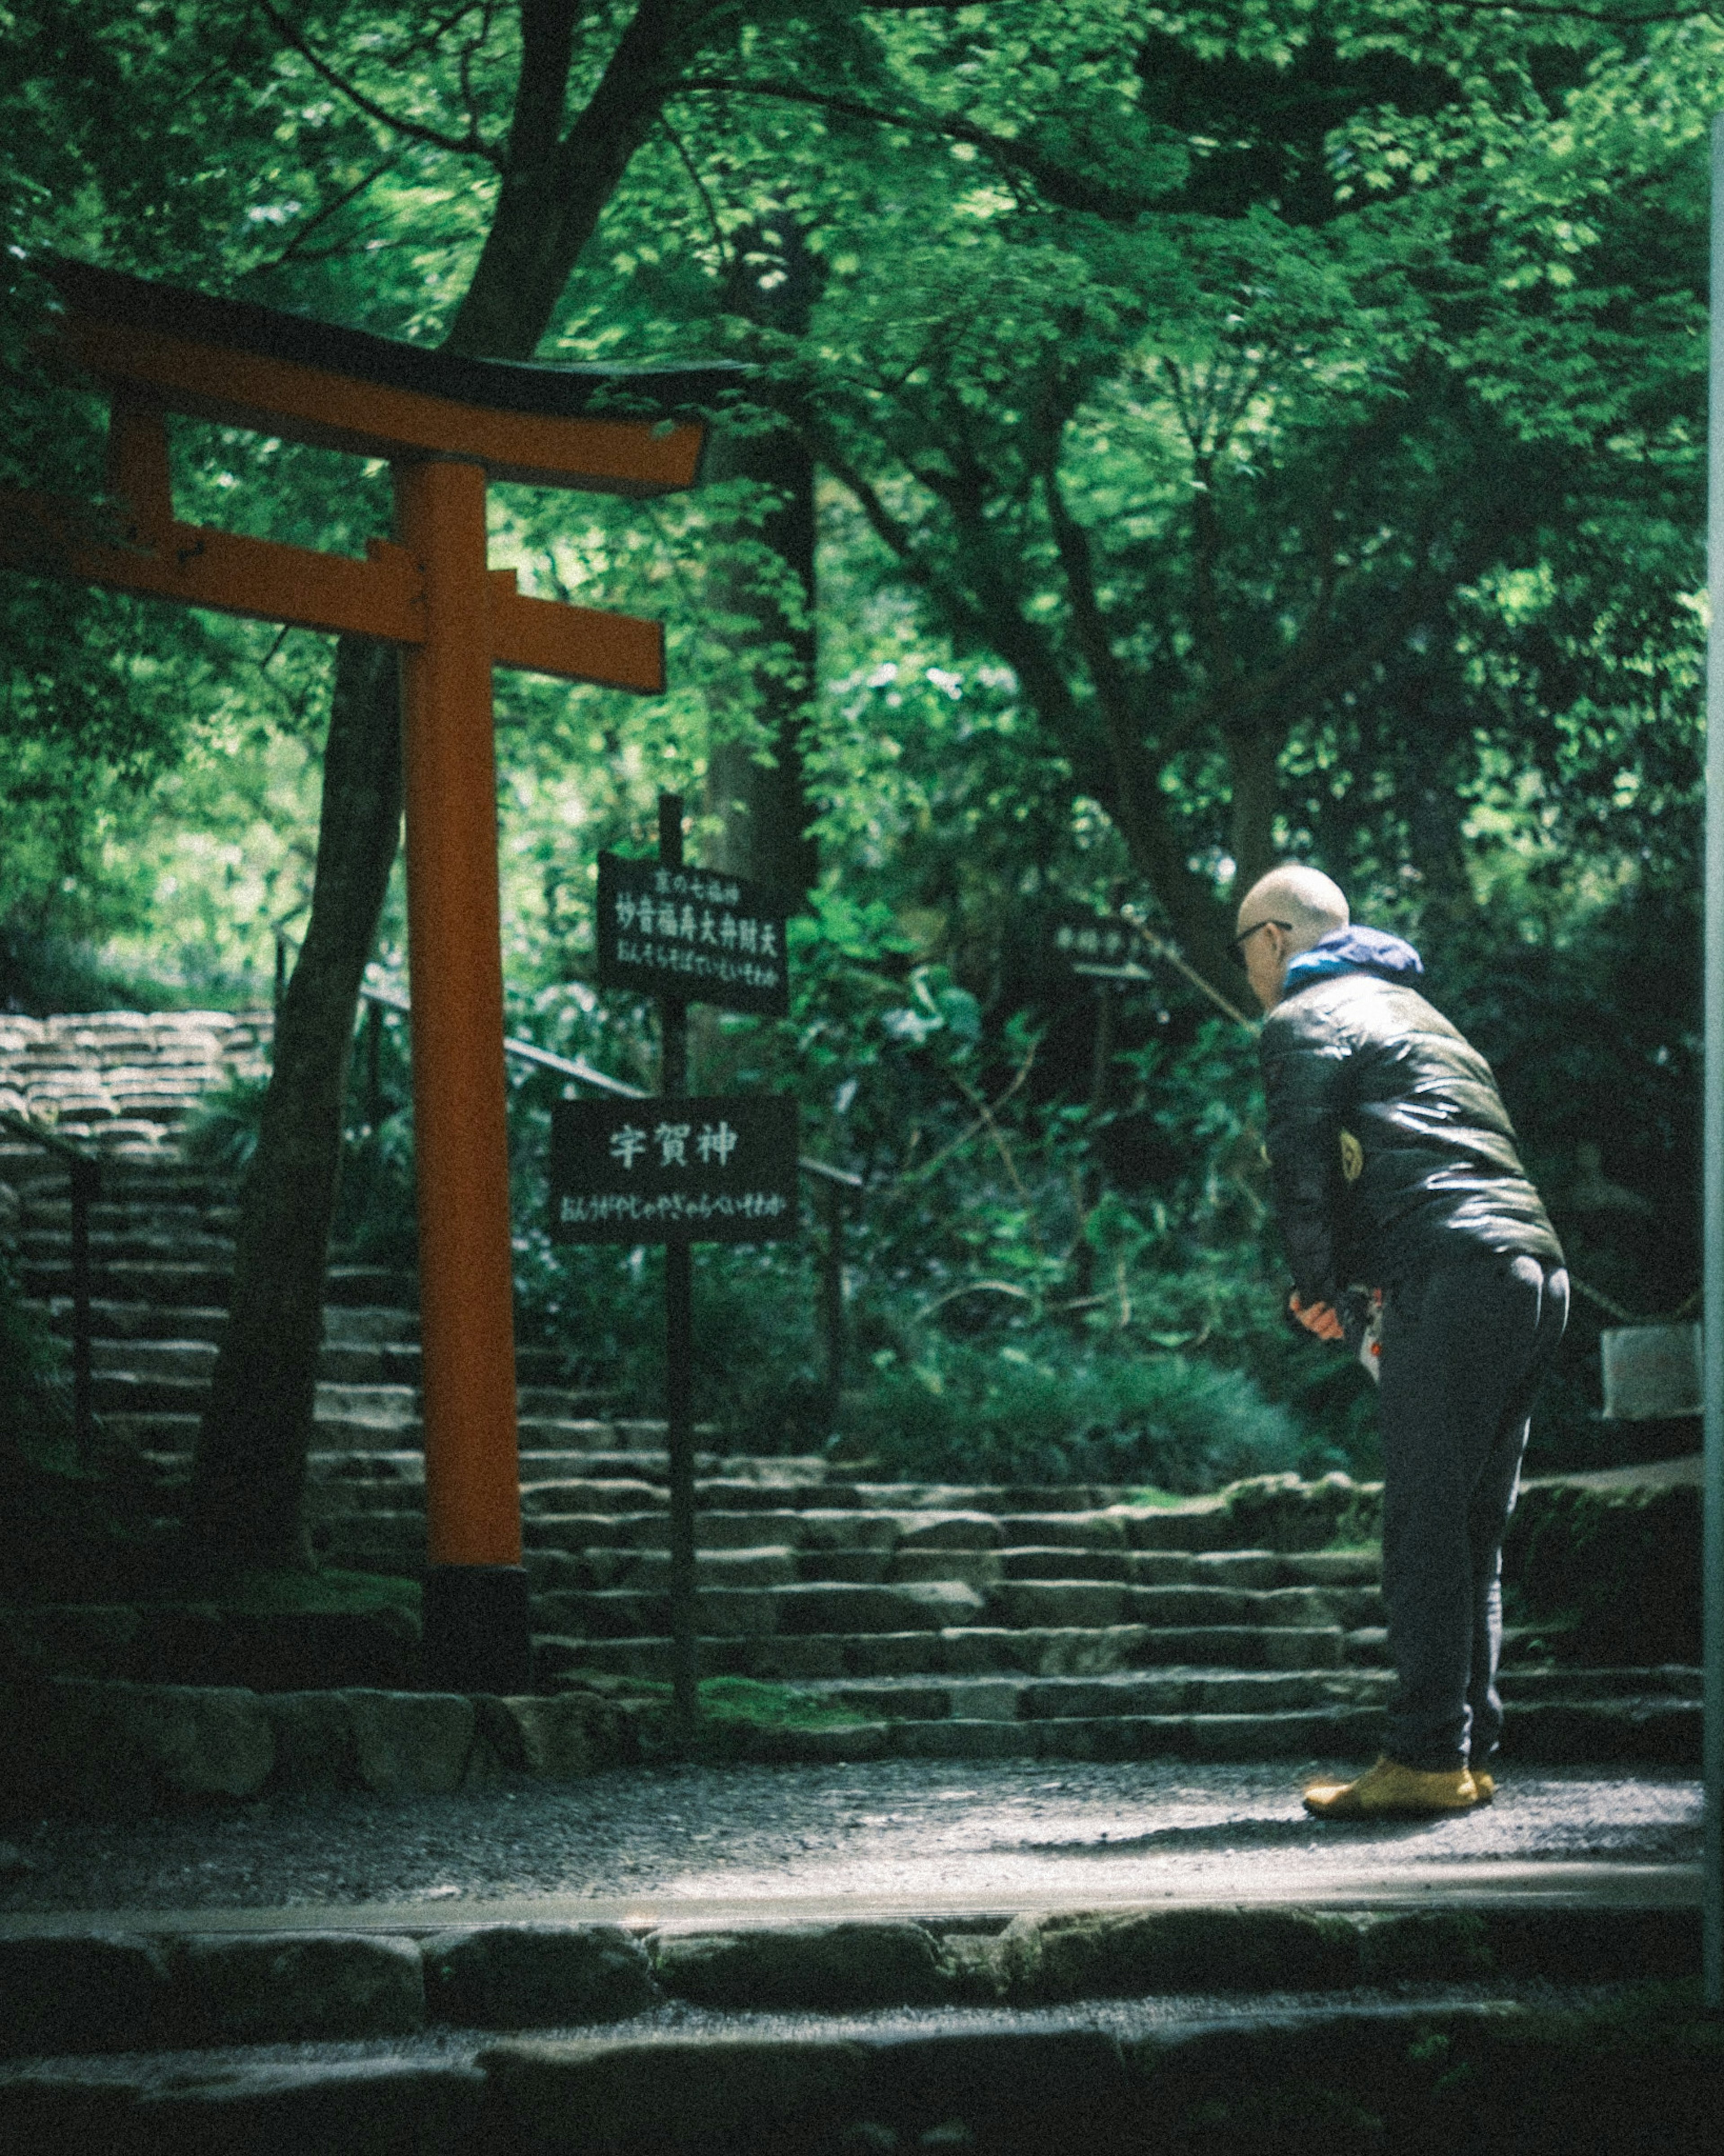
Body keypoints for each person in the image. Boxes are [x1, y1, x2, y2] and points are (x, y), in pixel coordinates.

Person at [1236, 864, 1568, 1817]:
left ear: (1272, 940)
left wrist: (1317, 1290)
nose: (1250, 972)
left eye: (1243, 950)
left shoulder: (1303, 1017)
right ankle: (1464, 1752)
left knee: (1423, 1526)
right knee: (1471, 1532)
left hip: (1453, 1277)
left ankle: (1425, 1755)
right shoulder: (1425, 1016)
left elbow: (1302, 1168)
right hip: (1535, 1273)